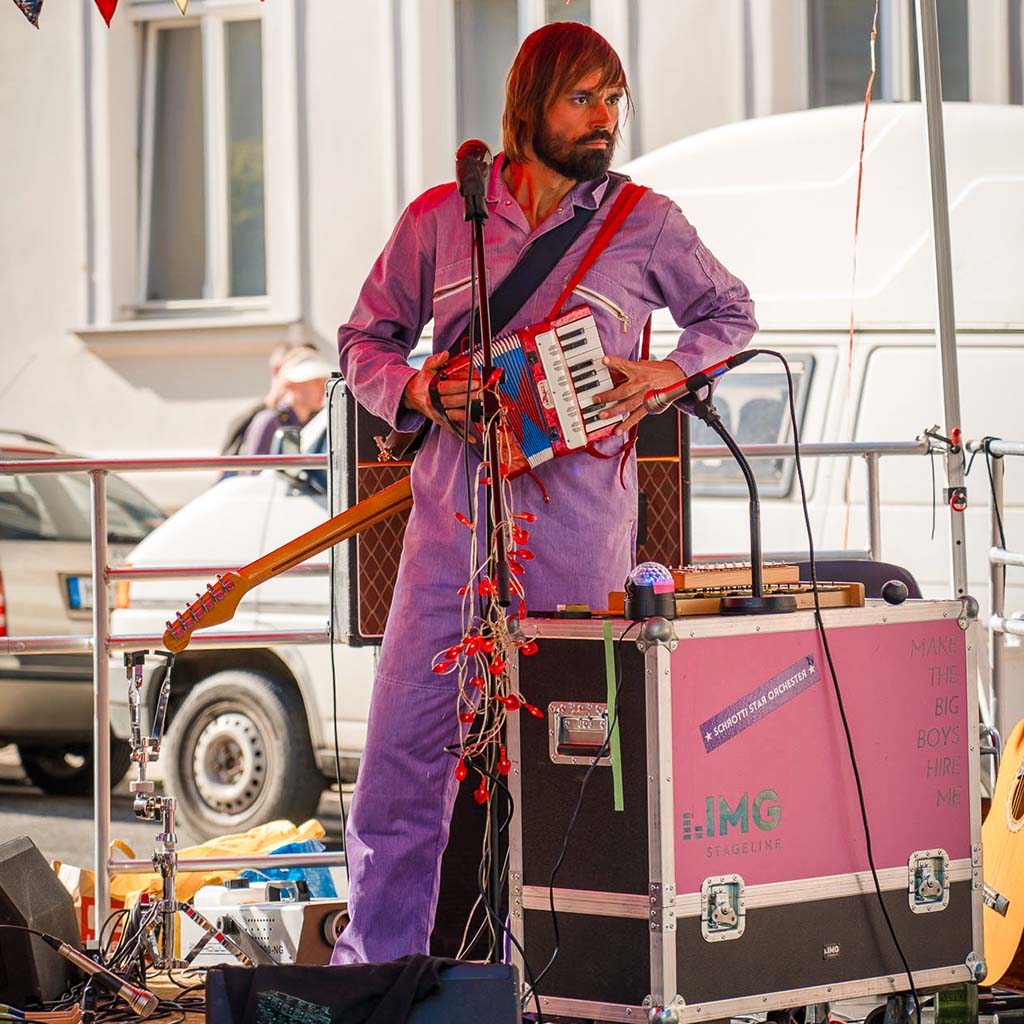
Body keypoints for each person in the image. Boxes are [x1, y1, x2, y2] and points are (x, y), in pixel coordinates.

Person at [330, 22, 757, 965]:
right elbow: (363, 340)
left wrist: (668, 377)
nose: (606, 118)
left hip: (576, 543)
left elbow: (730, 314)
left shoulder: (648, 221)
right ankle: (379, 978)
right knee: (400, 771)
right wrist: (417, 386)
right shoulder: (444, 218)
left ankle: (561, 983)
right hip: (448, 534)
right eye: (584, 98)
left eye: (616, 99)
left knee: (572, 783)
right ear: (530, 104)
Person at [238, 347, 333, 456]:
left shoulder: (315, 424)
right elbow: (254, 471)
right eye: (316, 382)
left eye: (325, 381)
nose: (323, 388)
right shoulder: (269, 421)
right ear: (290, 384)